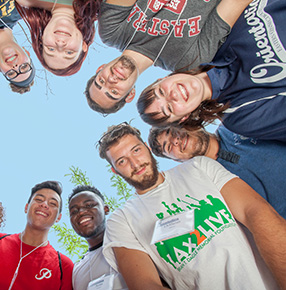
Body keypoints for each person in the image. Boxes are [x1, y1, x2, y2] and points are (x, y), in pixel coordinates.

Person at [96, 122, 286, 289]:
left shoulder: (199, 166)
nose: (134, 163)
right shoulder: (121, 221)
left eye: (136, 150)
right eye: (122, 161)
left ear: (146, 147)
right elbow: (146, 285)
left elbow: (256, 212)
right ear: (115, 170)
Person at [138, 0, 286, 141]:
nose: (172, 96)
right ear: (184, 117)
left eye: (161, 92)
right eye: (169, 109)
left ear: (162, 79)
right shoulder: (238, 116)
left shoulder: (207, 39)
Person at [84, 0, 252, 114]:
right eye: (113, 92)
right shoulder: (187, 62)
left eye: (100, 82)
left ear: (101, 69)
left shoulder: (111, 31)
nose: (110, 82)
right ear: (130, 95)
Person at [148, 125, 286, 218]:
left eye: (173, 131)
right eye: (168, 146)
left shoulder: (234, 125)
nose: (175, 140)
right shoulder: (213, 190)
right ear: (176, 160)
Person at [0, 180, 73, 290]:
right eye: (39, 199)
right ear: (26, 207)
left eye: (53, 204)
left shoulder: (64, 267)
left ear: (58, 217)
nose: (44, 205)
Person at [15, 0, 100, 76]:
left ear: (42, 38)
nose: (60, 44)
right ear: (83, 45)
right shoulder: (103, 5)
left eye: (51, 49)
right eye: (69, 52)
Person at [69, 185, 127, 290]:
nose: (81, 212)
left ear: (106, 209)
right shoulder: (76, 271)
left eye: (89, 205)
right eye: (74, 211)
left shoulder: (129, 242)